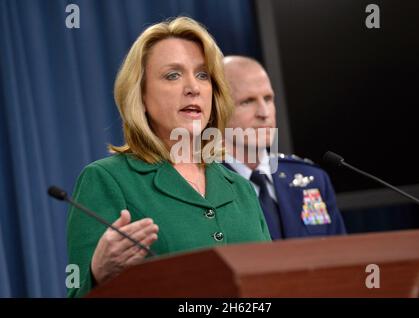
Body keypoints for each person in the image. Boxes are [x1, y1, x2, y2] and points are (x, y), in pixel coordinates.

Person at [67, 19, 271, 298]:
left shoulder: (241, 189)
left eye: (202, 75)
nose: (193, 88)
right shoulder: (106, 180)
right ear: (140, 94)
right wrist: (97, 276)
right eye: (173, 75)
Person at [222, 55, 346, 240]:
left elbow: (341, 257)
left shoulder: (311, 179)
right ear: (217, 110)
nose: (264, 113)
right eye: (247, 101)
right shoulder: (204, 185)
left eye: (268, 98)